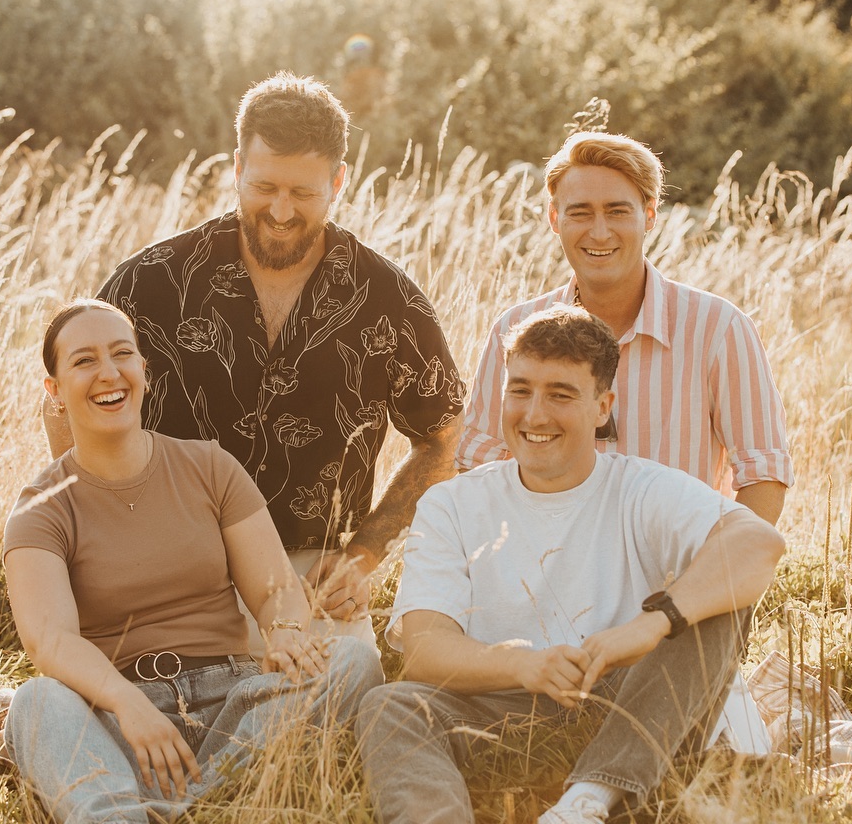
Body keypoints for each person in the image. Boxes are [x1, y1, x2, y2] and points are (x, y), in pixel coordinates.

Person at [48, 72, 463, 651]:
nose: (281, 211)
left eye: (303, 193)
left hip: (311, 574)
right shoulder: (150, 282)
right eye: (264, 186)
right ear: (238, 167)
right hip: (166, 568)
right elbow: (65, 404)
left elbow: (443, 438)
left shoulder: (388, 298)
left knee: (344, 687)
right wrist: (113, 538)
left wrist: (363, 555)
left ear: (338, 180)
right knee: (128, 692)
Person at [356, 307, 786, 824]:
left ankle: (589, 799)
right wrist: (526, 666)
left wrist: (651, 624)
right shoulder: (452, 503)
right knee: (389, 706)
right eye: (520, 391)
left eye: (560, 395)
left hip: (629, 706)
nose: (535, 415)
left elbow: (758, 542)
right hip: (500, 709)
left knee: (717, 606)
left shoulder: (641, 487)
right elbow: (426, 651)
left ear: (602, 407)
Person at [454, 131, 793, 749]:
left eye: (618, 211)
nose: (599, 231)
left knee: (728, 754)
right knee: (505, 741)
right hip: (542, 603)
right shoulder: (515, 330)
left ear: (650, 215)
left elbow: (763, 476)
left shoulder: (717, 328)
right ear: (554, 218)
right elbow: (477, 471)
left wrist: (703, 591)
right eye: (579, 212)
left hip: (672, 611)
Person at [5, 300, 383, 824]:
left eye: (122, 354)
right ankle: (188, 804)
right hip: (121, 720)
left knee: (352, 661)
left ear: (144, 370)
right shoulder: (41, 507)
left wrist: (286, 632)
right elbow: (50, 640)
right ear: (55, 390)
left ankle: (173, 807)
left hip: (235, 703)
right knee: (36, 703)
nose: (109, 373)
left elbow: (274, 590)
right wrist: (128, 704)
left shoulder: (208, 466)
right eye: (84, 361)